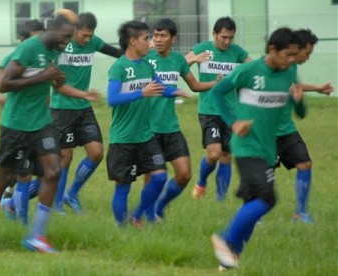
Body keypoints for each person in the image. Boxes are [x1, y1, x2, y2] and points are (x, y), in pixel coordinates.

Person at [0, 10, 78, 253]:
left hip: (42, 124)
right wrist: (43, 76)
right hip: (16, 126)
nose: (67, 41)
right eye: (65, 36)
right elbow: (5, 84)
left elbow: (46, 78)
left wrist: (54, 80)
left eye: (70, 37)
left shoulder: (56, 50)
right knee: (4, 180)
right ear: (52, 29)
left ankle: (37, 236)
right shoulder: (28, 49)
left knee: (53, 171)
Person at [208, 27, 303, 270]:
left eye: (295, 55)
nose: (292, 60)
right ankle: (225, 239)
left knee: (252, 202)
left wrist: (299, 101)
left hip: (268, 149)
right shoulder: (249, 71)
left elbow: (299, 112)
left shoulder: (289, 71)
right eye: (288, 54)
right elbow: (217, 94)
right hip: (246, 147)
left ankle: (230, 257)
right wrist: (234, 122)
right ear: (272, 50)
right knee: (267, 199)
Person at [106, 20, 184, 227]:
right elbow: (112, 99)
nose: (150, 42)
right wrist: (142, 93)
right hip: (123, 139)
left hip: (145, 137)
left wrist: (173, 91)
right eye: (146, 38)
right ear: (133, 41)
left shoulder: (148, 65)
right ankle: (122, 229)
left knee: (159, 177)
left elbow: (159, 87)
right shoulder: (119, 67)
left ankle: (137, 214)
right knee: (123, 186)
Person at [144, 18, 219, 221]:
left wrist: (216, 82)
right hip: (147, 129)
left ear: (173, 39)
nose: (158, 40)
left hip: (171, 127)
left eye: (163, 36)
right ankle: (147, 216)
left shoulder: (178, 61)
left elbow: (194, 86)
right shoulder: (145, 58)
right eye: (155, 35)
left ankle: (159, 207)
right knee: (152, 177)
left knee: (184, 174)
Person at [51, 12, 122, 214]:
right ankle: (56, 206)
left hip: (83, 107)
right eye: (84, 35)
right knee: (65, 158)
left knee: (96, 152)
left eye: (91, 35)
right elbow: (56, 85)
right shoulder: (61, 46)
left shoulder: (93, 42)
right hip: (62, 108)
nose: (88, 39)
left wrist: (138, 53)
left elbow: (117, 53)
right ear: (74, 30)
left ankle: (71, 194)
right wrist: (83, 94)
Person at [185, 17, 251, 201]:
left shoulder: (237, 52)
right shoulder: (202, 49)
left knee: (227, 155)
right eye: (223, 37)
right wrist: (194, 59)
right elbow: (180, 65)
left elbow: (255, 67)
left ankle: (220, 200)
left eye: (230, 37)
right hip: (209, 110)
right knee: (213, 154)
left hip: (231, 113)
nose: (227, 41)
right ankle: (201, 182)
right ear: (214, 34)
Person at [276, 29, 334, 224]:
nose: (308, 58)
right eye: (307, 53)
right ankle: (253, 215)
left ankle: (300, 213)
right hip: (266, 132)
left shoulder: (291, 67)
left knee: (305, 164)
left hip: (287, 130)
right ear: (296, 49)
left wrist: (317, 88)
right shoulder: (274, 65)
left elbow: (294, 86)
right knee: (262, 174)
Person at [0, 19, 45, 201]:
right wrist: (3, 101)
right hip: (17, 123)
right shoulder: (13, 59)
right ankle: (12, 203)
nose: (38, 43)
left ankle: (12, 200)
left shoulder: (45, 56)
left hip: (40, 123)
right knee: (19, 173)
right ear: (22, 39)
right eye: (34, 38)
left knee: (47, 174)